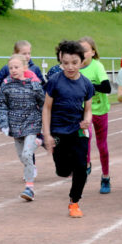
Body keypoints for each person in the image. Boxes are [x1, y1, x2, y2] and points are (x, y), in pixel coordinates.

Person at [42, 40, 94, 218]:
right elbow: (47, 108)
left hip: (78, 130)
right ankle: (66, 165)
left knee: (81, 166)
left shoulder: (86, 84)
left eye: (74, 63)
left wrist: (87, 121)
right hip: (58, 132)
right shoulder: (55, 81)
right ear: (60, 61)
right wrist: (47, 134)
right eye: (65, 63)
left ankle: (74, 202)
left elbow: (88, 110)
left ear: (82, 61)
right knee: (63, 170)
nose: (70, 67)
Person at [0, 54, 44, 201]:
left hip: (32, 123)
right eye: (10, 68)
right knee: (22, 157)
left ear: (24, 67)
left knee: (26, 154)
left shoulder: (34, 84)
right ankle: (38, 144)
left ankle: (29, 188)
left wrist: (46, 125)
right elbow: (2, 105)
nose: (13, 70)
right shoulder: (6, 84)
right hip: (15, 126)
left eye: (16, 67)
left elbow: (43, 103)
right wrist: (3, 123)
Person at [79, 36, 112, 194]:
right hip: (85, 111)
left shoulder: (97, 66)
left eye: (85, 50)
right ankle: (86, 164)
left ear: (92, 52)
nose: (82, 53)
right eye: (80, 51)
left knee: (102, 146)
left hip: (100, 110)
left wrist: (90, 86)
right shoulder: (75, 68)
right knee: (85, 139)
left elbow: (107, 87)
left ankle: (105, 177)